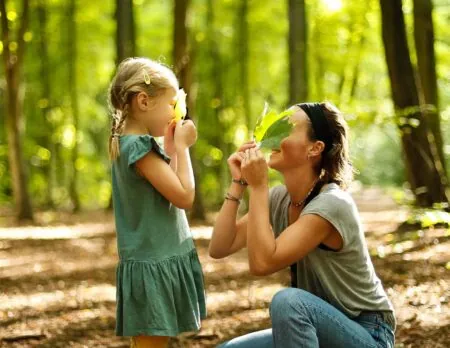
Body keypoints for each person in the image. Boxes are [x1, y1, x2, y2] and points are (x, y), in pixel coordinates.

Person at [209, 102, 396, 348]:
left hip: (368, 334)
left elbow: (261, 263)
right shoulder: (280, 199)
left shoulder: (332, 203)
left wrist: (258, 187)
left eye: (285, 129)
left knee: (288, 302)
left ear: (315, 148)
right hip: (317, 328)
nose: (270, 137)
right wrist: (238, 183)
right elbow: (220, 246)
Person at [108, 57, 206, 348]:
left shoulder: (135, 144)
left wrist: (173, 145)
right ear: (143, 101)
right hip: (153, 262)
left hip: (158, 257)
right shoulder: (138, 148)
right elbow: (184, 196)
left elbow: (170, 185)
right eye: (171, 104)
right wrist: (183, 148)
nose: (176, 113)